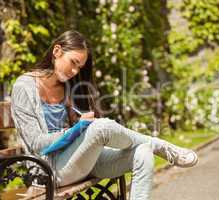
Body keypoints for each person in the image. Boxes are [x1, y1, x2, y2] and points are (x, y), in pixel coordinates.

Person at [10, 30, 198, 200]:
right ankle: (159, 145)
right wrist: (74, 130)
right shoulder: (24, 87)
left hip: (80, 162)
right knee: (100, 127)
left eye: (80, 67)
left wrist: (78, 125)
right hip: (48, 171)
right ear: (57, 51)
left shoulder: (69, 87)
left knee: (143, 153)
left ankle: (151, 146)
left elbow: (77, 135)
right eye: (73, 62)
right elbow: (35, 143)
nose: (75, 71)